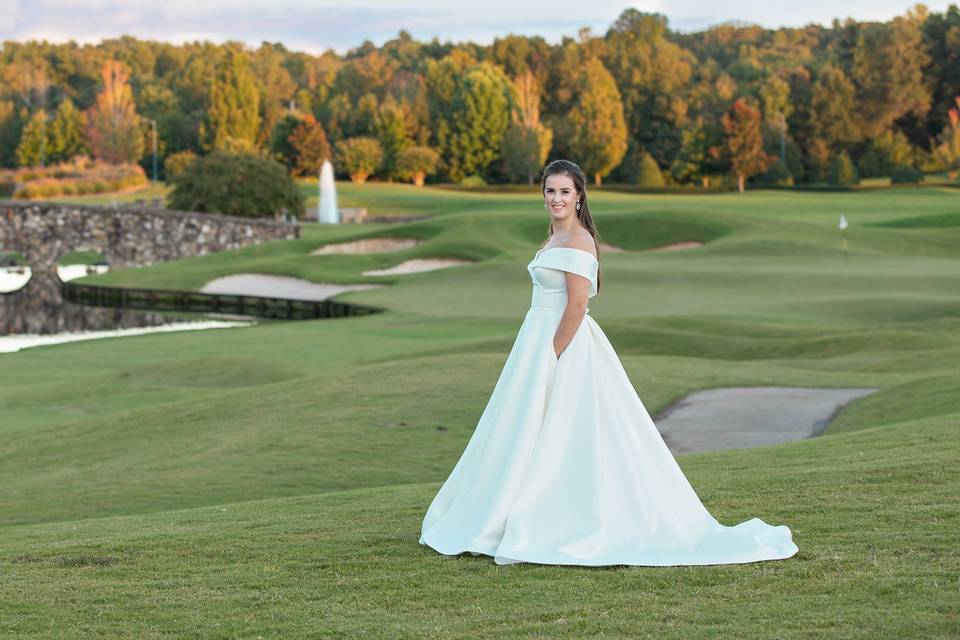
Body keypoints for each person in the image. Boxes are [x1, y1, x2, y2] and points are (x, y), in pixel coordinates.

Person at [419, 159, 798, 566]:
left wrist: (550, 357)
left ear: (579, 196)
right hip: (536, 339)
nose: (556, 199)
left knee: (563, 430)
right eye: (550, 191)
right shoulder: (554, 237)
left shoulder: (579, 240)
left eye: (565, 191)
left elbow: (577, 306)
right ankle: (500, 511)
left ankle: (549, 517)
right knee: (523, 429)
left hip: (560, 343)